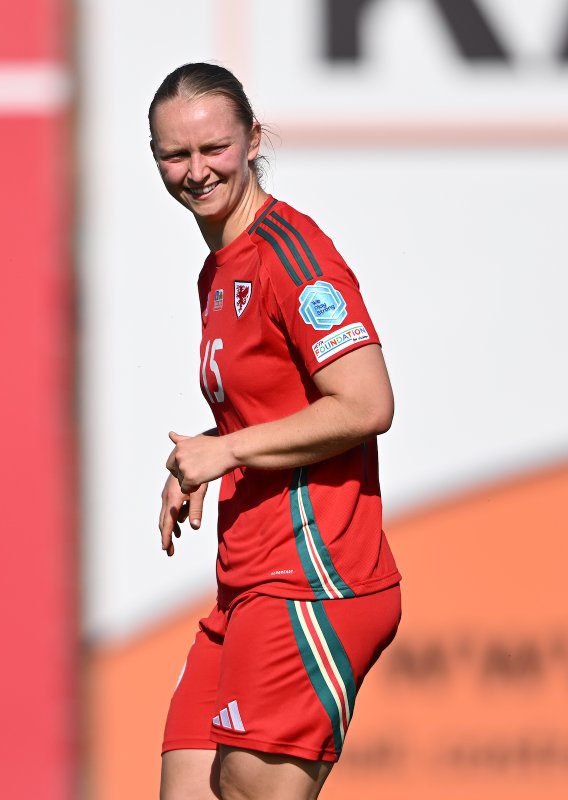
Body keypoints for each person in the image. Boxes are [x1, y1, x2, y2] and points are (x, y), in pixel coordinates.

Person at [150, 62, 403, 800]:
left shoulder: (290, 254)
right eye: (176, 155)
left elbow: (365, 403)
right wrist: (200, 454)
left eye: (213, 149)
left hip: (313, 581)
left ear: (253, 138)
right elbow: (269, 407)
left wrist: (225, 450)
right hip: (247, 585)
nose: (196, 171)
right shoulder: (222, 263)